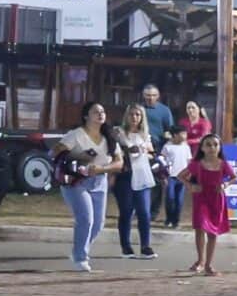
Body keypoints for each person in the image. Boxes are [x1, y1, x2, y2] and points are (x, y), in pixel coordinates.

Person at [53, 101, 122, 273]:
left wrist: (102, 169)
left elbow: (119, 163)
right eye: (95, 112)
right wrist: (79, 157)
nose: (100, 114)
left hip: (99, 181)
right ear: (86, 116)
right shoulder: (76, 134)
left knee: (98, 223)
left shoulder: (109, 137)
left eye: (102, 111)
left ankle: (78, 249)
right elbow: (56, 152)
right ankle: (80, 257)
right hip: (76, 182)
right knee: (86, 219)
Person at [184, 133, 234, 276]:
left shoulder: (223, 164)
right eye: (208, 145)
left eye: (215, 144)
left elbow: (234, 177)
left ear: (219, 147)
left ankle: (208, 264)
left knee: (213, 232)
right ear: (202, 148)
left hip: (217, 199)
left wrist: (225, 184)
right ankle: (200, 260)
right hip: (201, 198)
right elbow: (181, 176)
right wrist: (190, 186)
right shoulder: (197, 164)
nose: (212, 147)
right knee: (200, 227)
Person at [113, 104, 159, 258]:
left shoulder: (145, 135)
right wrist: (128, 151)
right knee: (126, 211)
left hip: (142, 174)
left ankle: (145, 246)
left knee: (144, 213)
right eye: (132, 114)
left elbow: (153, 154)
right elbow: (114, 151)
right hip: (126, 176)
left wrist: (145, 152)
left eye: (138, 115)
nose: (134, 118)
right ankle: (126, 246)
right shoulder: (119, 133)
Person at [159, 124, 193, 230]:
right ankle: (169, 219)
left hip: (182, 177)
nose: (185, 136)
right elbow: (161, 160)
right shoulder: (167, 146)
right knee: (170, 198)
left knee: (179, 200)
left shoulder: (186, 147)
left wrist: (190, 175)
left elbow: (189, 161)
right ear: (175, 135)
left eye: (185, 133)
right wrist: (163, 176)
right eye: (182, 133)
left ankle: (176, 221)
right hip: (170, 176)